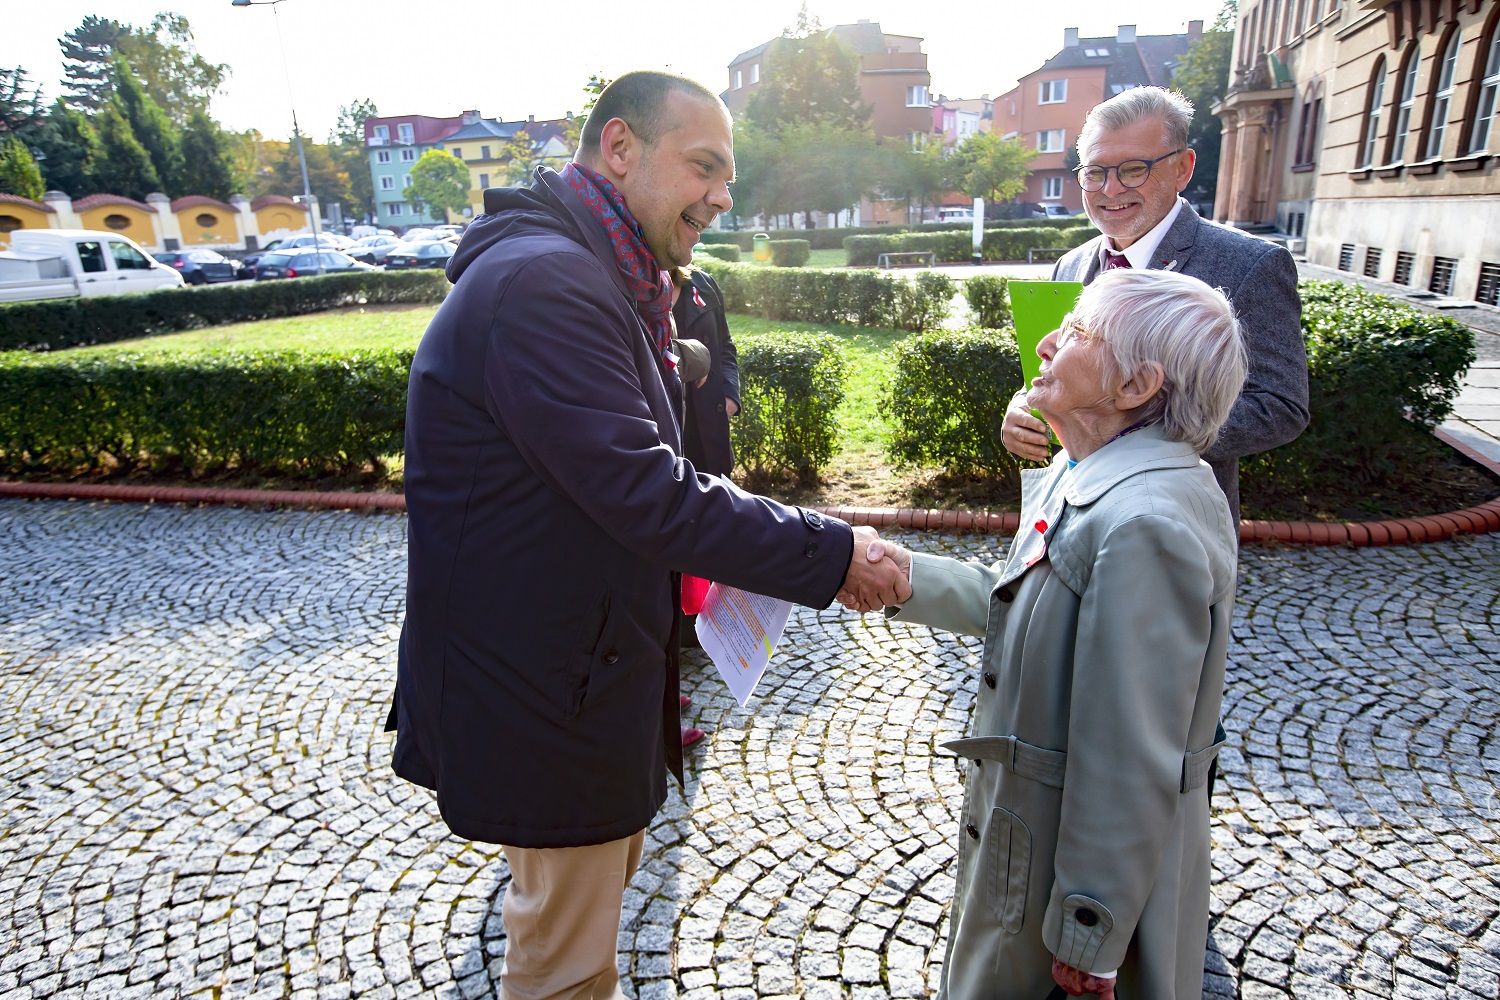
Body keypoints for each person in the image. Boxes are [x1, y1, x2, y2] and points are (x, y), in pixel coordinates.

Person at [387, 71, 909, 1000]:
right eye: (703, 166)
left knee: (579, 938)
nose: (720, 195)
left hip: (577, 678)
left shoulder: (598, 271)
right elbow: (647, 490)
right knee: (565, 967)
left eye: (729, 177)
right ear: (620, 148)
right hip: (545, 693)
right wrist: (831, 554)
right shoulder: (547, 281)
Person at [852, 269, 1248, 1000]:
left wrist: (1088, 931)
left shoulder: (1144, 521)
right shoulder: (1092, 472)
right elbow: (1032, 605)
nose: (1046, 342)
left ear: (1134, 386)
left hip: (1059, 872)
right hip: (1026, 842)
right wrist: (907, 578)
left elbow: (1129, 751)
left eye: (1076, 333)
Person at [1001, 86, 1308, 526]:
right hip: (1066, 512)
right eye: (1095, 172)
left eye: (1132, 169)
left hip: (1170, 524)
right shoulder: (1071, 264)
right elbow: (1060, 376)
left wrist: (1130, 434)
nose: (1110, 189)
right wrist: (1024, 409)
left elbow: (1280, 407)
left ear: (1183, 168)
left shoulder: (1249, 264)